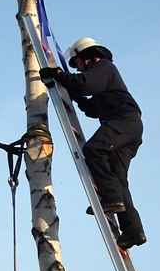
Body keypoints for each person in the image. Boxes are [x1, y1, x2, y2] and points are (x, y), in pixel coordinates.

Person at [40, 37, 146, 249]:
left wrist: (60, 76)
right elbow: (91, 108)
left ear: (86, 56)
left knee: (93, 149)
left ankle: (111, 200)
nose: (78, 68)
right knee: (117, 177)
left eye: (77, 63)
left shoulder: (103, 67)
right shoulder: (104, 80)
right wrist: (70, 91)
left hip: (124, 122)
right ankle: (133, 230)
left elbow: (85, 84)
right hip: (127, 127)